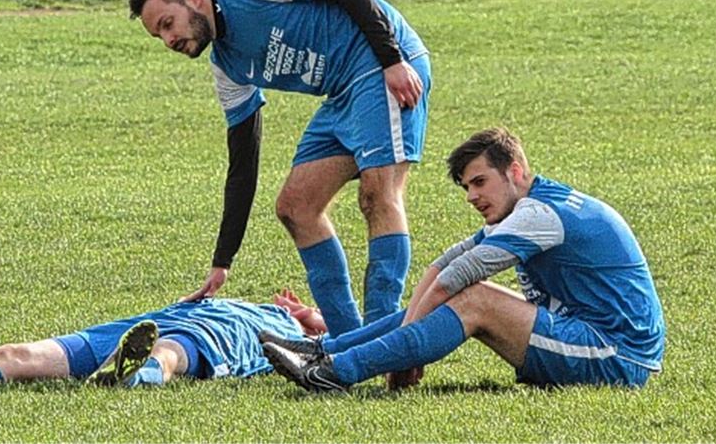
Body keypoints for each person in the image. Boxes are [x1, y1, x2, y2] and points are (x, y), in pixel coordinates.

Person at [128, 0, 431, 337]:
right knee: (296, 207)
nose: (169, 39)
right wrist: (223, 261)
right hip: (342, 94)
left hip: (382, 63)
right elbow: (243, 163)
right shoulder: (227, 67)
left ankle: (385, 338)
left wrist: (391, 60)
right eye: (160, 35)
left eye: (168, 24)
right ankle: (345, 341)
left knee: (377, 195)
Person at [260, 128, 666, 392]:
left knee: (474, 299)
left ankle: (334, 373)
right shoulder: (531, 205)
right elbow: (446, 263)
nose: (472, 196)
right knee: (469, 293)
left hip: (618, 357)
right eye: (467, 187)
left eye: (479, 182)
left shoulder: (537, 215)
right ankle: (324, 351)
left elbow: (456, 277)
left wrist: (406, 350)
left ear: (515, 172)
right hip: (593, 337)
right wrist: (405, 340)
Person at [0, 294, 326, 392]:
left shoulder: (293, 337)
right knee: (15, 355)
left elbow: (338, 330)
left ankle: (132, 377)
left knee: (168, 354)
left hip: (225, 336)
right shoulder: (251, 296)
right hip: (149, 320)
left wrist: (310, 322)